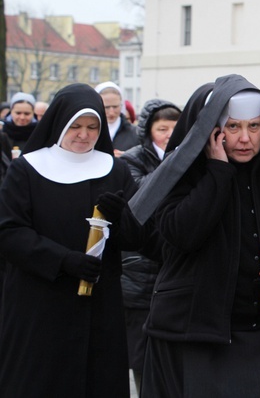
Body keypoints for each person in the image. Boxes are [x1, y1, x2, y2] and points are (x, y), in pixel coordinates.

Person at [130, 75, 260, 397]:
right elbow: (181, 235)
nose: (246, 139)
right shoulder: (184, 175)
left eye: (255, 126)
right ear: (211, 129)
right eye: (233, 127)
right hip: (195, 335)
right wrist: (217, 171)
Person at [0, 83, 150, 397]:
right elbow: (10, 232)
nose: (84, 135)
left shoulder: (114, 169)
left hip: (99, 303)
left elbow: (138, 239)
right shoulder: (26, 169)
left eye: (93, 127)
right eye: (76, 126)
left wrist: (123, 215)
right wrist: (63, 260)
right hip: (38, 301)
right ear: (59, 124)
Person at [119, 98, 181, 395]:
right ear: (148, 131)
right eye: (162, 128)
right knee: (142, 358)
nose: (170, 134)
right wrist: (173, 163)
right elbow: (141, 200)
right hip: (139, 272)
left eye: (176, 127)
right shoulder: (131, 159)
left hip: (175, 270)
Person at [95, 81, 138, 157]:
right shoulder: (91, 131)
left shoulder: (135, 133)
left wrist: (128, 156)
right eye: (106, 107)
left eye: (115, 107)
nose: (111, 112)